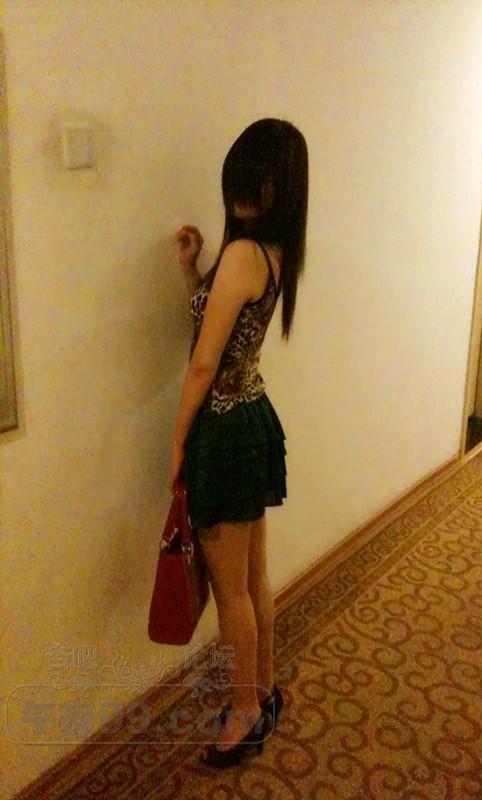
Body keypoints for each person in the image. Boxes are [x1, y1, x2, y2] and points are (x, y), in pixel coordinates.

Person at [171, 118, 308, 768]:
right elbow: (222, 328)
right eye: (241, 177)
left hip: (225, 432)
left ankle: (245, 711)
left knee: (232, 591)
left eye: (259, 180)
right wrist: (190, 270)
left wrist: (177, 443)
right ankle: (265, 690)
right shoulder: (273, 253)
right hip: (251, 416)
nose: (244, 191)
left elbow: (203, 363)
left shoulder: (243, 254)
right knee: (252, 578)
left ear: (281, 187)